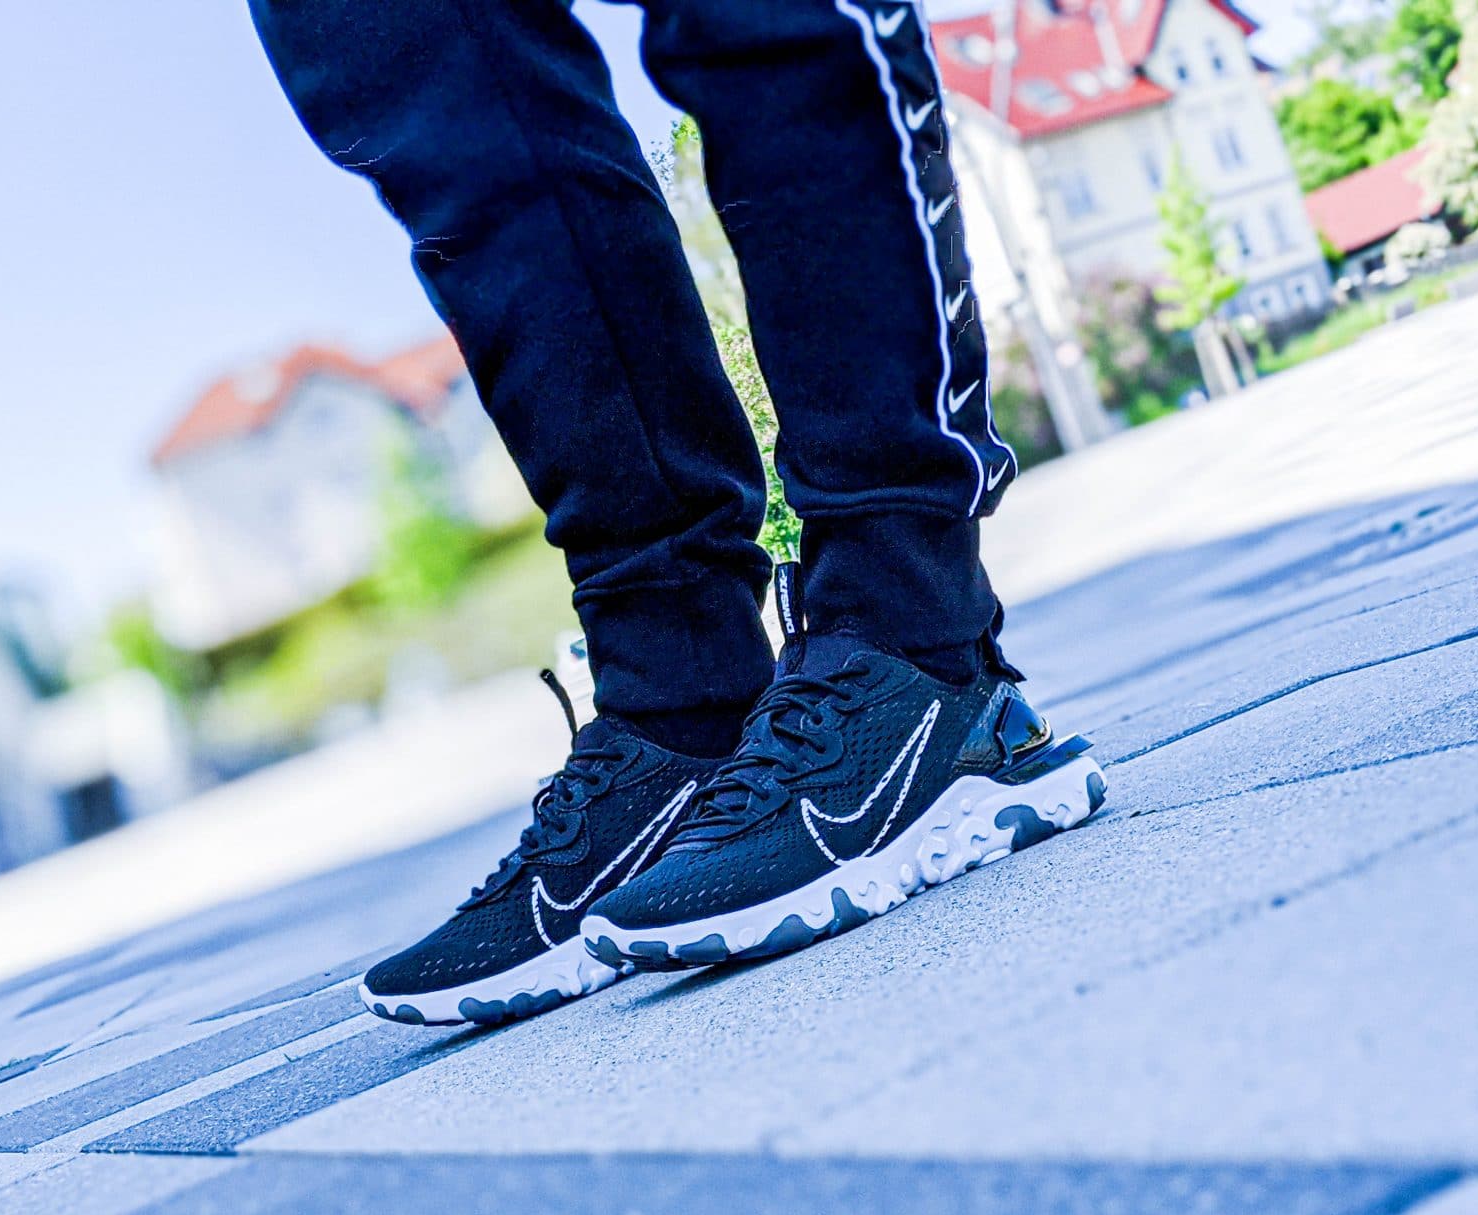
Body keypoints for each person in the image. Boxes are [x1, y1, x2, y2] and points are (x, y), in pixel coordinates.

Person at [246, 0, 1108, 1025]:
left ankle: (916, 642)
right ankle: (681, 705)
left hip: (910, 613)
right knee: (443, 102)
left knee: (750, 14)